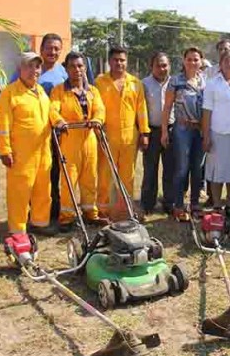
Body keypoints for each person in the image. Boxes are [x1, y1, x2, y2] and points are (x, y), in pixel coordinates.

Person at [0, 52, 59, 245]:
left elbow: (50, 113)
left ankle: (39, 222)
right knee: (20, 192)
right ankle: (17, 229)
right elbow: (2, 123)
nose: (34, 71)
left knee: (43, 189)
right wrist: (4, 150)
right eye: (29, 66)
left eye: (37, 67)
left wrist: (60, 121)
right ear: (20, 69)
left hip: (43, 151)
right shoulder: (10, 92)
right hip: (21, 154)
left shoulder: (40, 91)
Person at [50, 52, 106, 230]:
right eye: (72, 66)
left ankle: (90, 213)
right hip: (69, 138)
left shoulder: (93, 90)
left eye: (80, 66)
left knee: (90, 178)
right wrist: (59, 122)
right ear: (66, 68)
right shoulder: (59, 90)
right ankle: (67, 217)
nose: (77, 70)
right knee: (69, 179)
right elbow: (53, 109)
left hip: (89, 138)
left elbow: (100, 109)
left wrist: (97, 119)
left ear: (85, 67)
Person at [95, 47, 149, 216]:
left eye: (122, 60)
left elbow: (141, 109)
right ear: (109, 61)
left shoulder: (135, 83)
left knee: (127, 175)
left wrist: (144, 132)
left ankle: (124, 209)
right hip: (107, 136)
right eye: (115, 60)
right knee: (105, 174)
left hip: (129, 137)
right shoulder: (99, 82)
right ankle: (102, 210)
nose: (119, 63)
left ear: (127, 62)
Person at [161, 47, 206, 222]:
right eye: (189, 59)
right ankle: (178, 205)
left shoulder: (205, 81)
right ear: (183, 61)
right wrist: (165, 131)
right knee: (181, 168)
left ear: (201, 61)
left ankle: (194, 204)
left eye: (196, 59)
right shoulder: (175, 81)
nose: (193, 62)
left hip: (200, 130)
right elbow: (167, 108)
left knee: (197, 168)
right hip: (182, 130)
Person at [202, 49, 230, 223]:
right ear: (220, 64)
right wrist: (206, 136)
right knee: (216, 172)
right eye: (226, 60)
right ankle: (217, 207)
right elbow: (206, 111)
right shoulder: (212, 83)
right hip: (217, 133)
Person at [141, 52, 175, 214]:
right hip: (151, 131)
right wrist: (143, 133)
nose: (162, 69)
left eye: (165, 65)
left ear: (169, 66)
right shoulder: (144, 84)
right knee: (150, 170)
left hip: (171, 130)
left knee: (170, 169)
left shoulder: (175, 83)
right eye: (158, 65)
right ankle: (148, 204)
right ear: (151, 66)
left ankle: (169, 203)